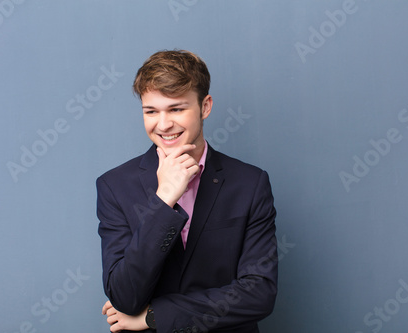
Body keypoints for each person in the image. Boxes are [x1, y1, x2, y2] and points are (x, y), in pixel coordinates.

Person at [97, 50, 278, 333]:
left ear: (205, 107)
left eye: (177, 109)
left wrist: (154, 316)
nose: (164, 124)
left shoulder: (250, 183)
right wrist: (164, 200)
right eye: (151, 111)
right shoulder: (114, 186)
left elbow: (259, 294)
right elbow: (124, 296)